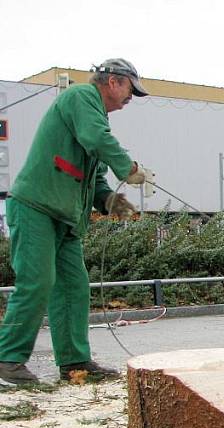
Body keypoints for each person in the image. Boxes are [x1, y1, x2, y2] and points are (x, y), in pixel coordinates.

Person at [0, 58, 152, 385]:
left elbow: (94, 178)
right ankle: (7, 359)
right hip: (36, 207)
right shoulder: (81, 97)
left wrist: (111, 201)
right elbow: (96, 138)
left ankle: (74, 363)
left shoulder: (94, 118)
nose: (129, 100)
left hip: (66, 219)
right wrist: (128, 167)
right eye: (129, 90)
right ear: (113, 81)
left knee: (74, 288)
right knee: (37, 281)